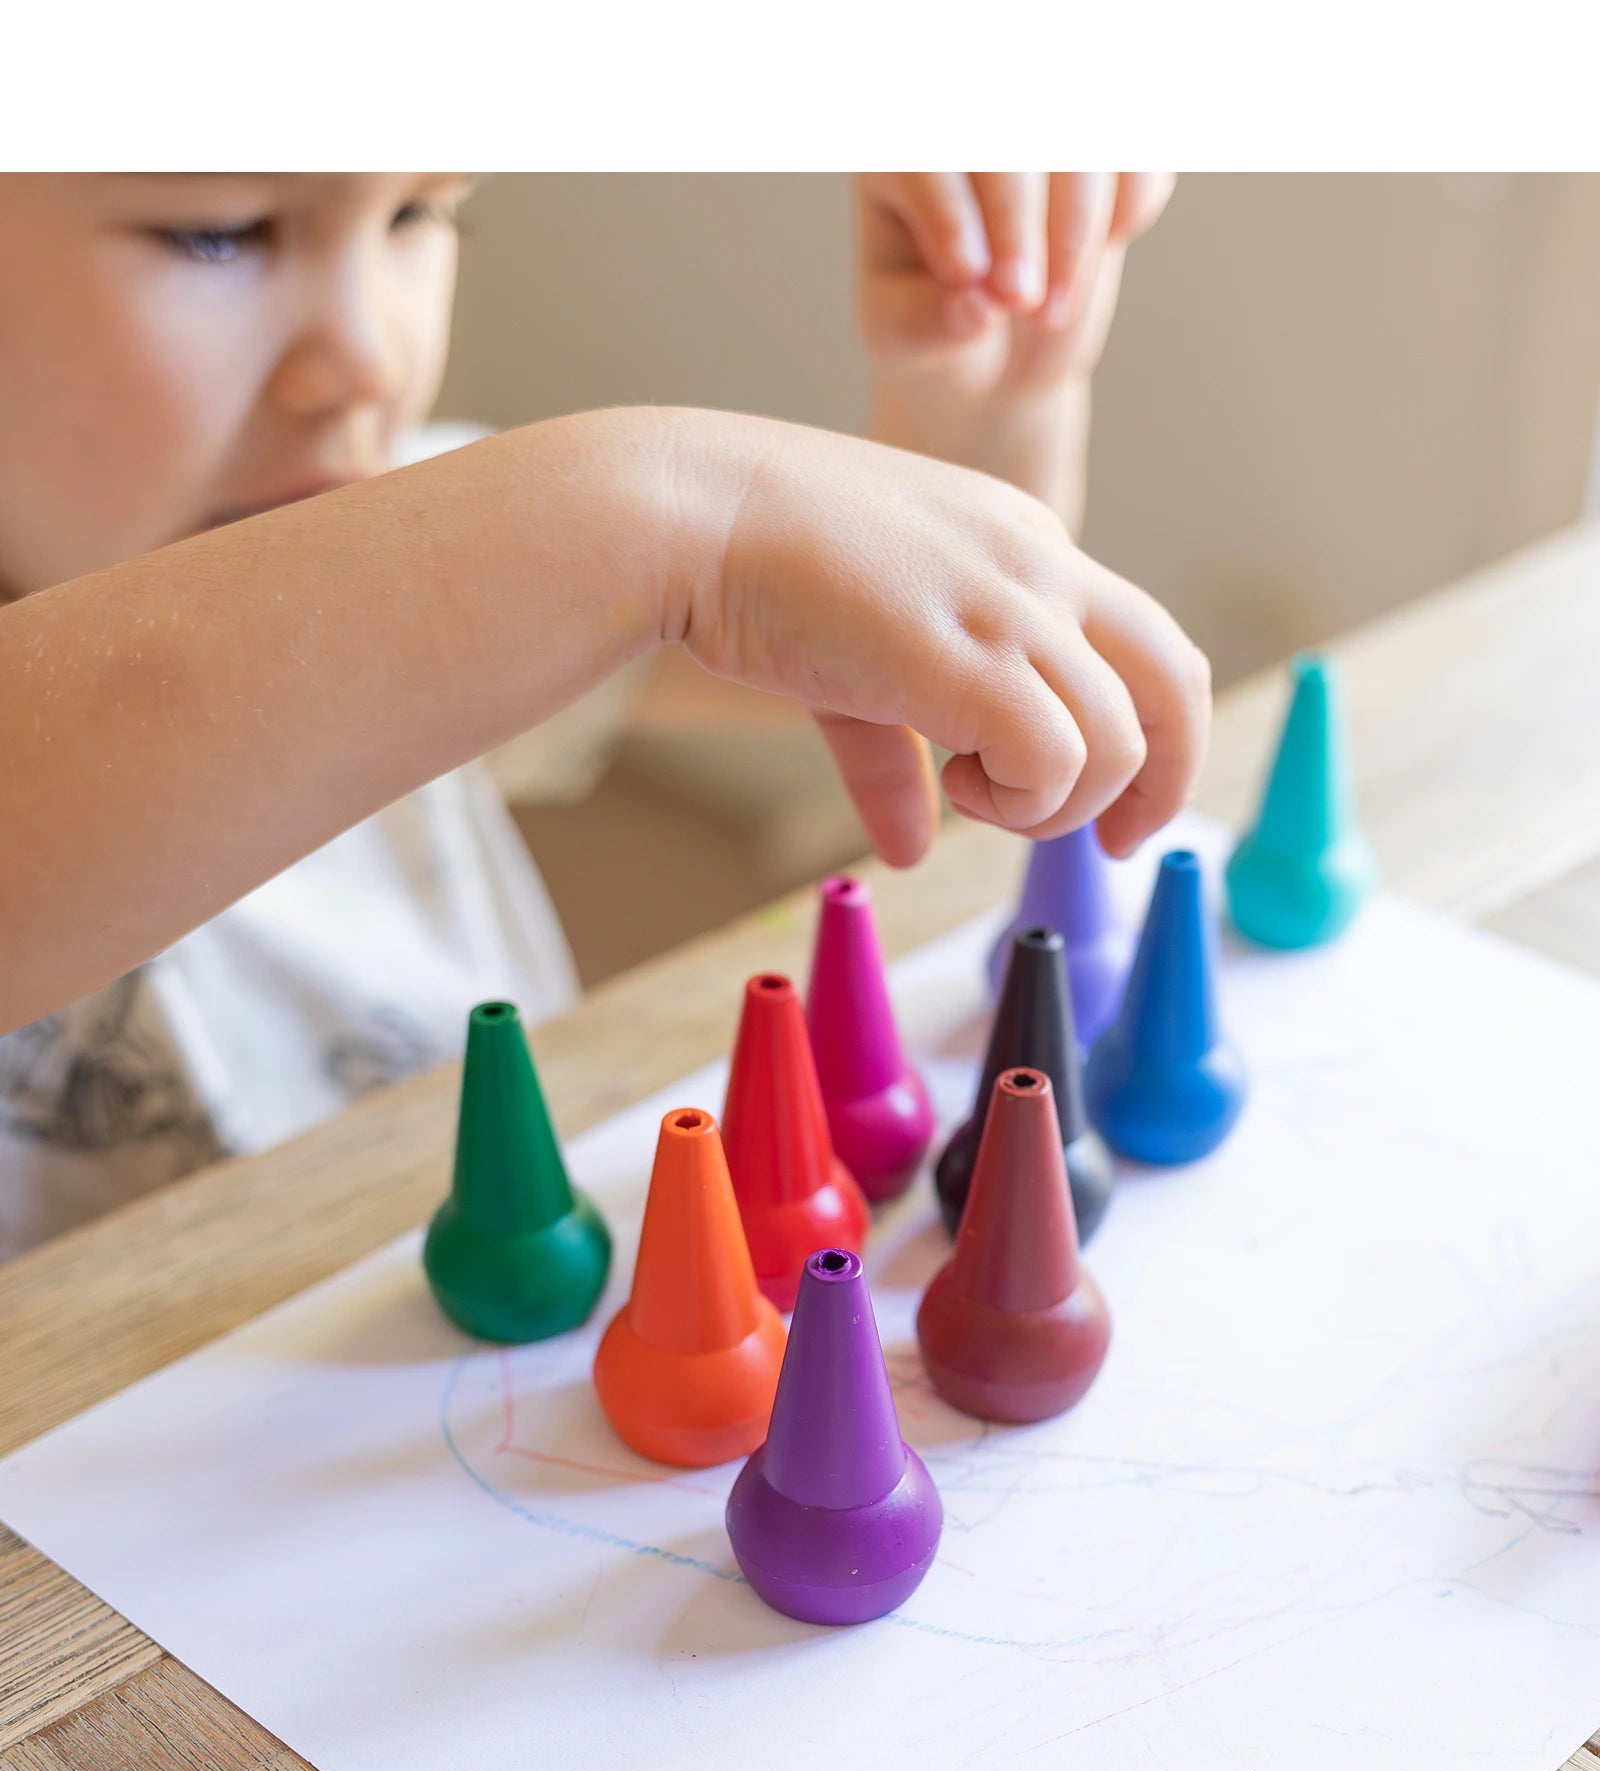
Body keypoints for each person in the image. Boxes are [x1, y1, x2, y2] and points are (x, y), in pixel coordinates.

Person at [0, 171, 1203, 1256]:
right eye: (218, 234)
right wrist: (642, 519)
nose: (368, 356)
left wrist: (982, 398)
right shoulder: (480, 551)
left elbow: (882, 656)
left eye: (418, 213)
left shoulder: (401, 520)